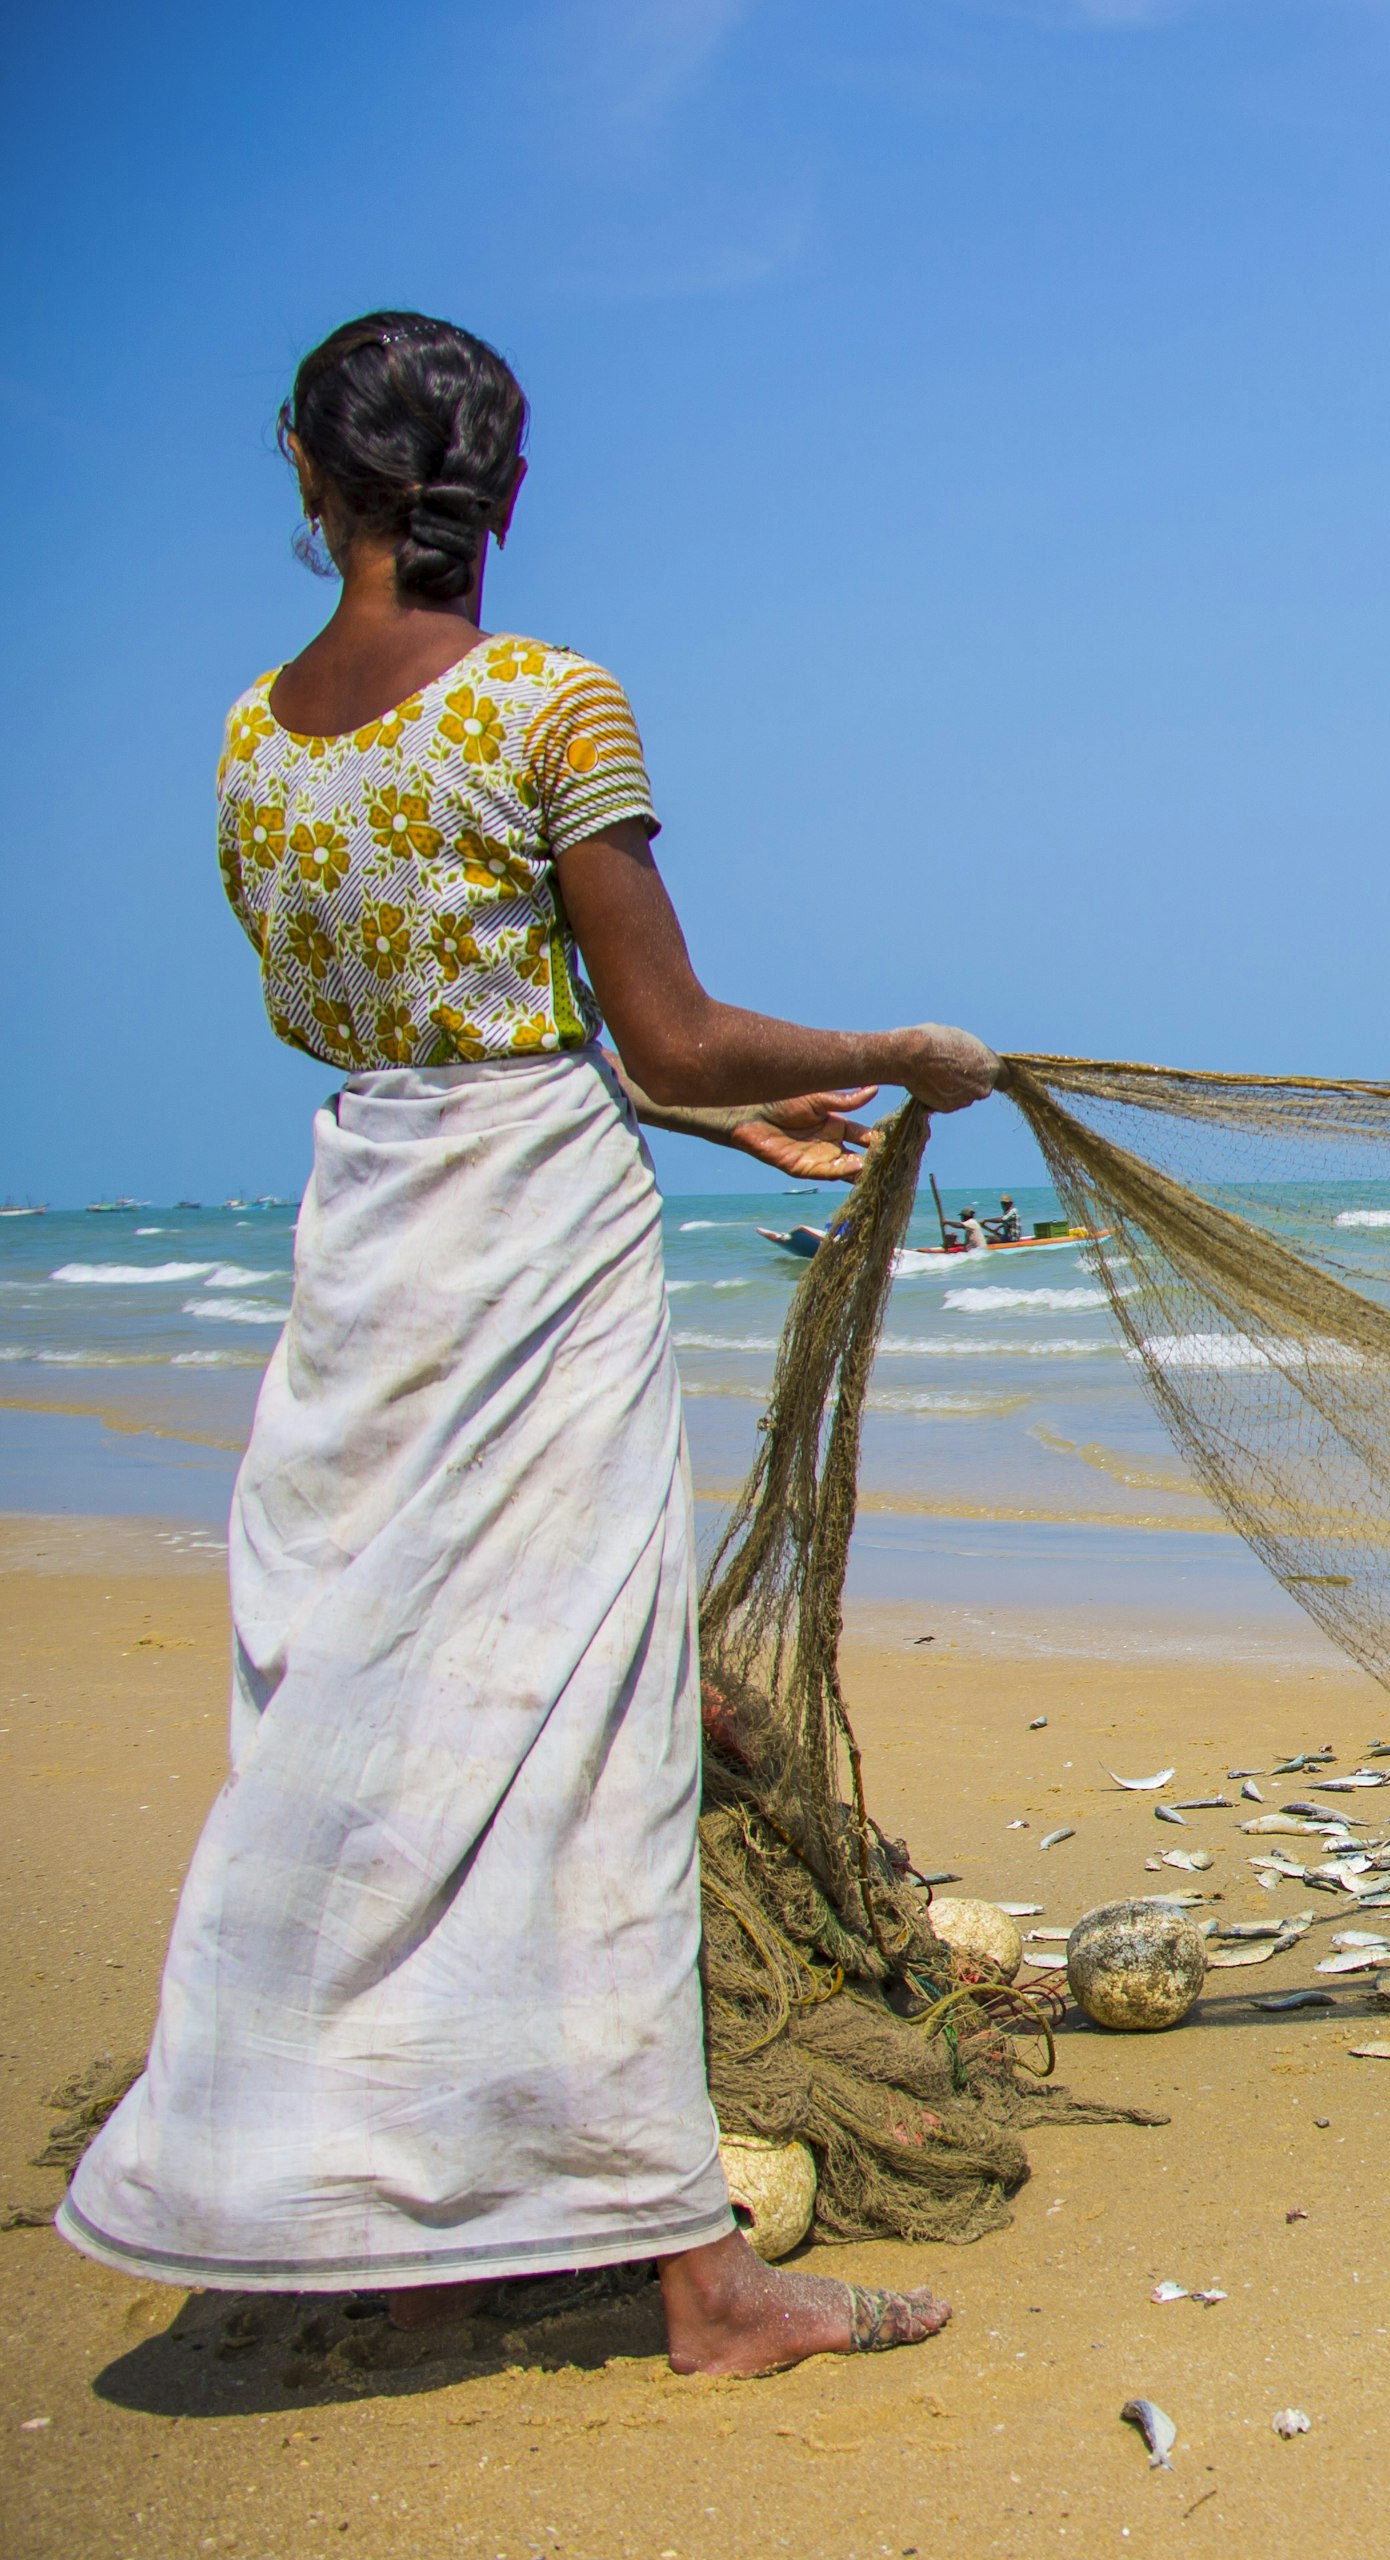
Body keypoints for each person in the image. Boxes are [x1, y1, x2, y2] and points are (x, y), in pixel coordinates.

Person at [57, 312, 995, 2374]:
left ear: (311, 478)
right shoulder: (547, 700)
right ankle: (705, 2279)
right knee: (575, 1740)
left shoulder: (254, 741)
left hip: (366, 1229)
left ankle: (327, 2200)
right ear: (510, 485)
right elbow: (648, 1026)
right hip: (532, 1248)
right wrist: (887, 1051)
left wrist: (705, 1100)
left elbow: (446, 1011)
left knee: (350, 1722)